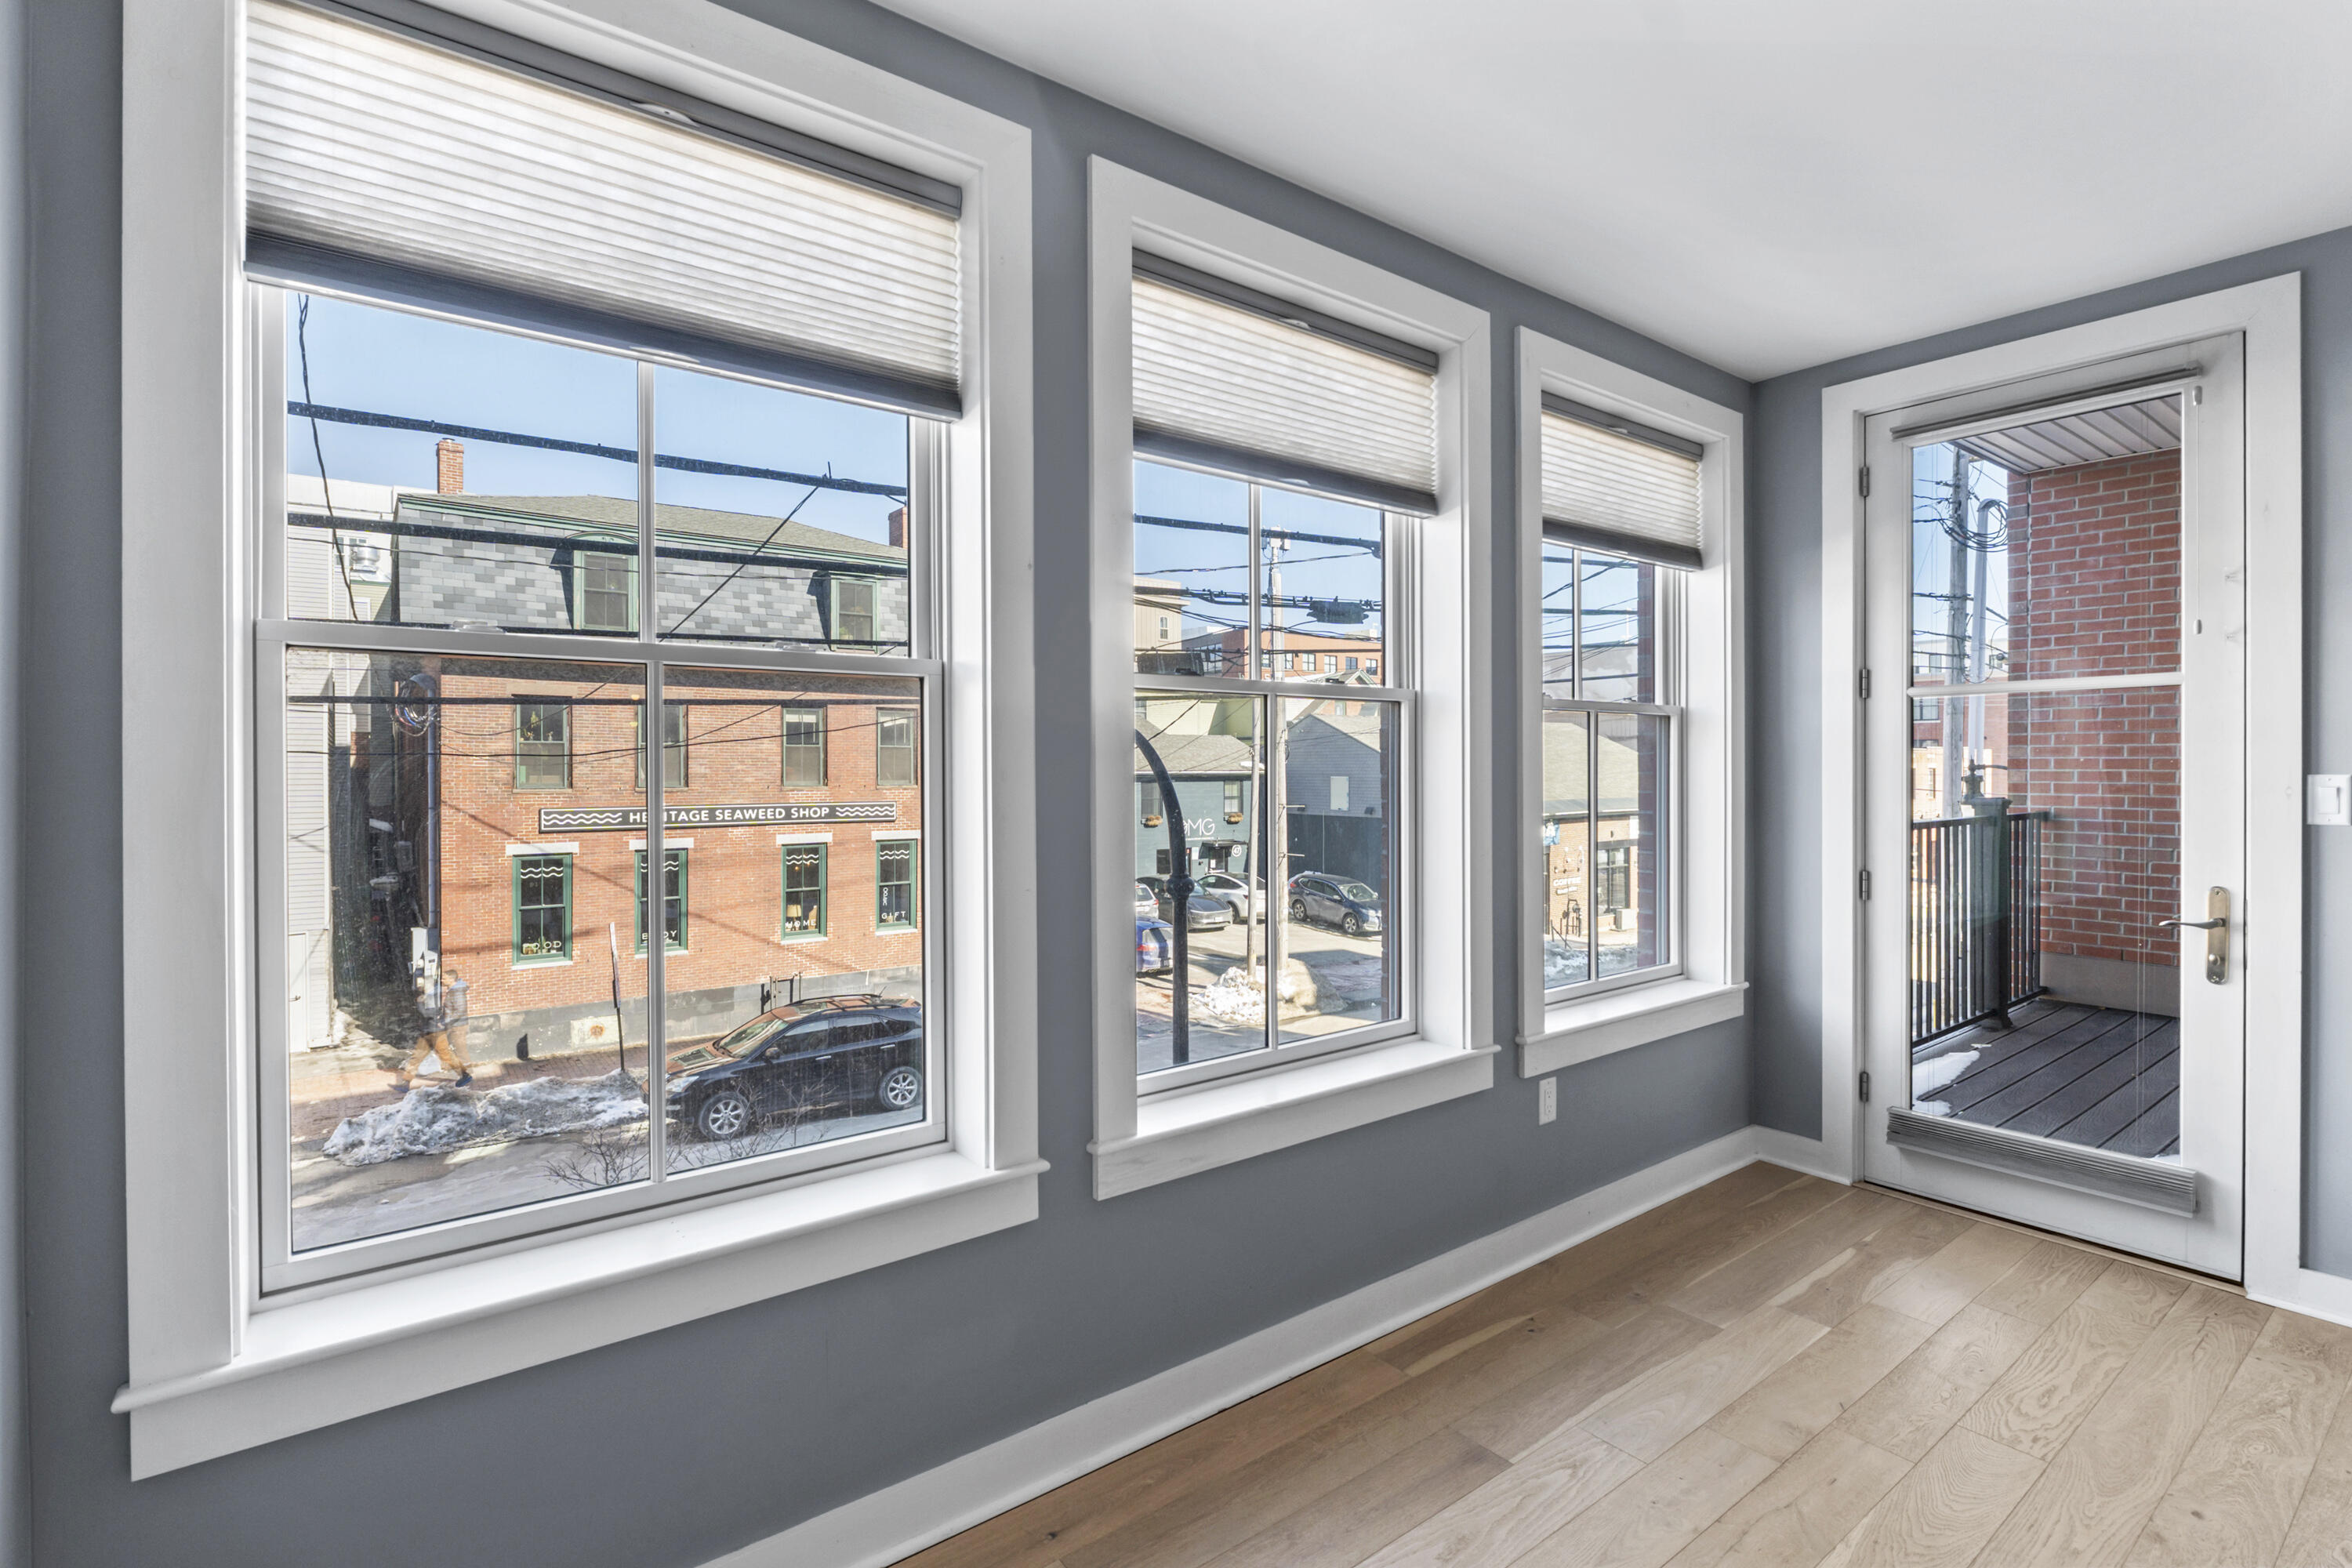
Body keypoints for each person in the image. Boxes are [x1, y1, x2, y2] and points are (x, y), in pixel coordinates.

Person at [400, 965, 473, 1091]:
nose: (442, 980)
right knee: (418, 1056)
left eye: (444, 978)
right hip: (430, 1028)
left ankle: (465, 1074)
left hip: (437, 1029)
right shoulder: (442, 991)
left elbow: (457, 1010)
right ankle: (406, 1082)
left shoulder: (448, 992)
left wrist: (444, 1022)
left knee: (447, 1054)